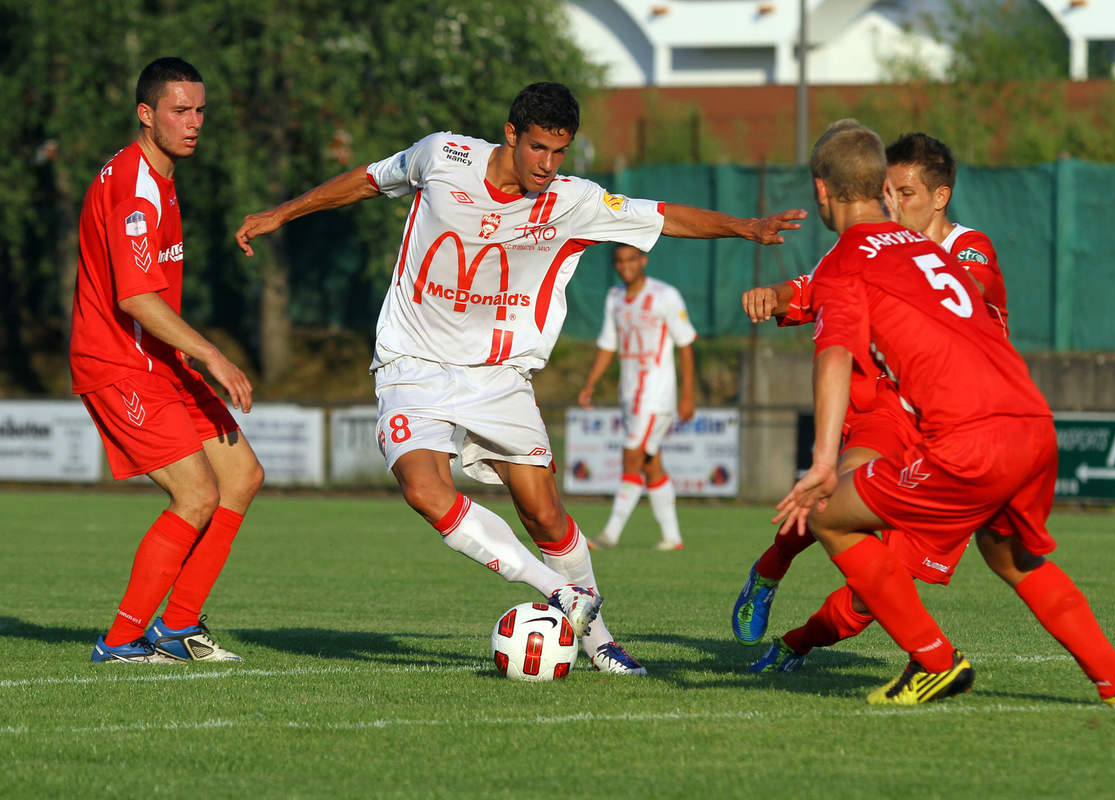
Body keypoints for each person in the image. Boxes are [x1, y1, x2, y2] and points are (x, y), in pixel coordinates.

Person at [235, 82, 804, 674]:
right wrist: (282, 212)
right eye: (538, 149)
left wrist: (746, 228)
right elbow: (368, 179)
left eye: (560, 153)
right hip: (414, 364)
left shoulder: (572, 200)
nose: (547, 165)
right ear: (511, 134)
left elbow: (662, 216)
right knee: (425, 491)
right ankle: (561, 595)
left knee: (546, 515)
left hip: (500, 378)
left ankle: (599, 640)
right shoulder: (442, 157)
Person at [759, 119, 1115, 707]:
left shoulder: (846, 262)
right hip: (1033, 423)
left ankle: (934, 662)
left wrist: (820, 462)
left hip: (967, 437)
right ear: (884, 190)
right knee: (1012, 556)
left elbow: (835, 354)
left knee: (830, 517)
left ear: (821, 190)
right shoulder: (923, 245)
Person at [732, 132, 1002, 649]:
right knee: (832, 501)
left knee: (895, 578)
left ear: (939, 198)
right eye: (889, 193)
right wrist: (778, 295)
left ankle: (798, 643)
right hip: (890, 412)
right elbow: (816, 287)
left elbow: (964, 296)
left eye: (906, 194)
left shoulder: (965, 248)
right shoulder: (879, 246)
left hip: (962, 429)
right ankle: (770, 570)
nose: (893, 204)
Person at [73, 57, 263, 664]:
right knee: (196, 495)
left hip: (159, 360)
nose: (194, 122)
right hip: (120, 361)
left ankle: (178, 628)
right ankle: (123, 641)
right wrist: (212, 355)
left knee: (241, 477)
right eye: (180, 111)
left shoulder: (159, 177)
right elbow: (134, 297)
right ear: (146, 114)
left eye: (200, 110)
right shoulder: (134, 187)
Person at [577, 244, 697, 551]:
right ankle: (673, 538)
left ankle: (610, 534)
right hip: (630, 393)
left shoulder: (664, 295)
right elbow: (608, 344)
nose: (625, 266)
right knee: (650, 463)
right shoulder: (615, 297)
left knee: (631, 455)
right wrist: (590, 383)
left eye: (631, 259)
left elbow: (685, 344)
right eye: (619, 261)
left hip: (657, 393)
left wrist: (687, 396)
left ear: (643, 260)